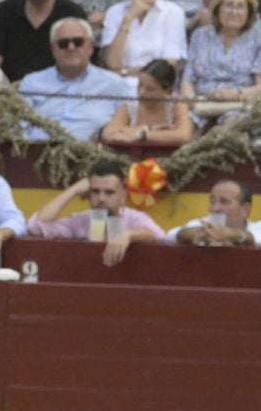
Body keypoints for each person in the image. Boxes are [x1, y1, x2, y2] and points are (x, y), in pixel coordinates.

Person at [25, 165, 164, 266]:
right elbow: (35, 226)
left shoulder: (134, 218)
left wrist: (128, 235)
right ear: (88, 194)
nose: (101, 198)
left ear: (123, 196)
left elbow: (160, 236)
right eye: (95, 192)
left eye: (109, 192)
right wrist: (73, 190)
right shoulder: (80, 220)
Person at [16, 17, 129, 141]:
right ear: (53, 50)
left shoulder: (115, 84)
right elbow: (18, 126)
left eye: (78, 42)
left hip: (93, 156)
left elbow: (121, 128)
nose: (71, 47)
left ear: (91, 47)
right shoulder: (32, 82)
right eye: (63, 43)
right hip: (37, 154)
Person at [181, 0, 261, 112]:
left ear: (249, 12)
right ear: (218, 9)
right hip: (201, 104)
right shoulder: (200, 35)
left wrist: (232, 95)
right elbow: (188, 79)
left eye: (241, 7)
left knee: (229, 126)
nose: (234, 12)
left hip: (240, 105)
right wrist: (193, 103)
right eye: (229, 5)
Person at [0, 0, 85, 83]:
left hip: (57, 90)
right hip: (10, 91)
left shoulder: (72, 14)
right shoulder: (5, 10)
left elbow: (79, 64)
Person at [100, 0, 187, 75]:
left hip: (156, 86)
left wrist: (126, 71)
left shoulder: (173, 12)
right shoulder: (115, 12)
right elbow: (112, 64)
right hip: (120, 85)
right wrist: (129, 18)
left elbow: (169, 64)